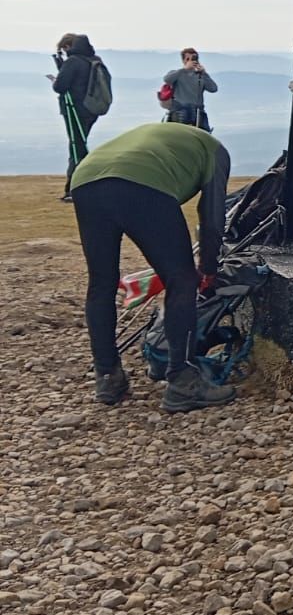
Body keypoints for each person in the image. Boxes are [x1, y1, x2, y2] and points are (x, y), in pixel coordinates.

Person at [69, 122, 238, 412]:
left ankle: (108, 377)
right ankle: (183, 381)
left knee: (101, 282)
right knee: (182, 280)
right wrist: (208, 267)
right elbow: (212, 218)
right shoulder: (216, 151)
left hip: (85, 179)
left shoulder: (166, 139)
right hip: (141, 182)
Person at [49, 33, 105, 200]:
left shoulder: (73, 62)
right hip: (91, 109)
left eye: (64, 49)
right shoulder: (94, 60)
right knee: (79, 144)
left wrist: (56, 79)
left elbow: (60, 87)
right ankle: (78, 186)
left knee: (76, 147)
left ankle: (75, 188)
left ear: (68, 46)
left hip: (75, 110)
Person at [164, 48, 217, 131]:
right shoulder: (177, 73)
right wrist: (184, 69)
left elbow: (213, 89)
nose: (191, 61)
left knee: (203, 134)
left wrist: (204, 73)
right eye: (188, 59)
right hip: (180, 111)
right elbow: (167, 79)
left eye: (194, 58)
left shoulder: (200, 76)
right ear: (183, 60)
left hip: (198, 111)